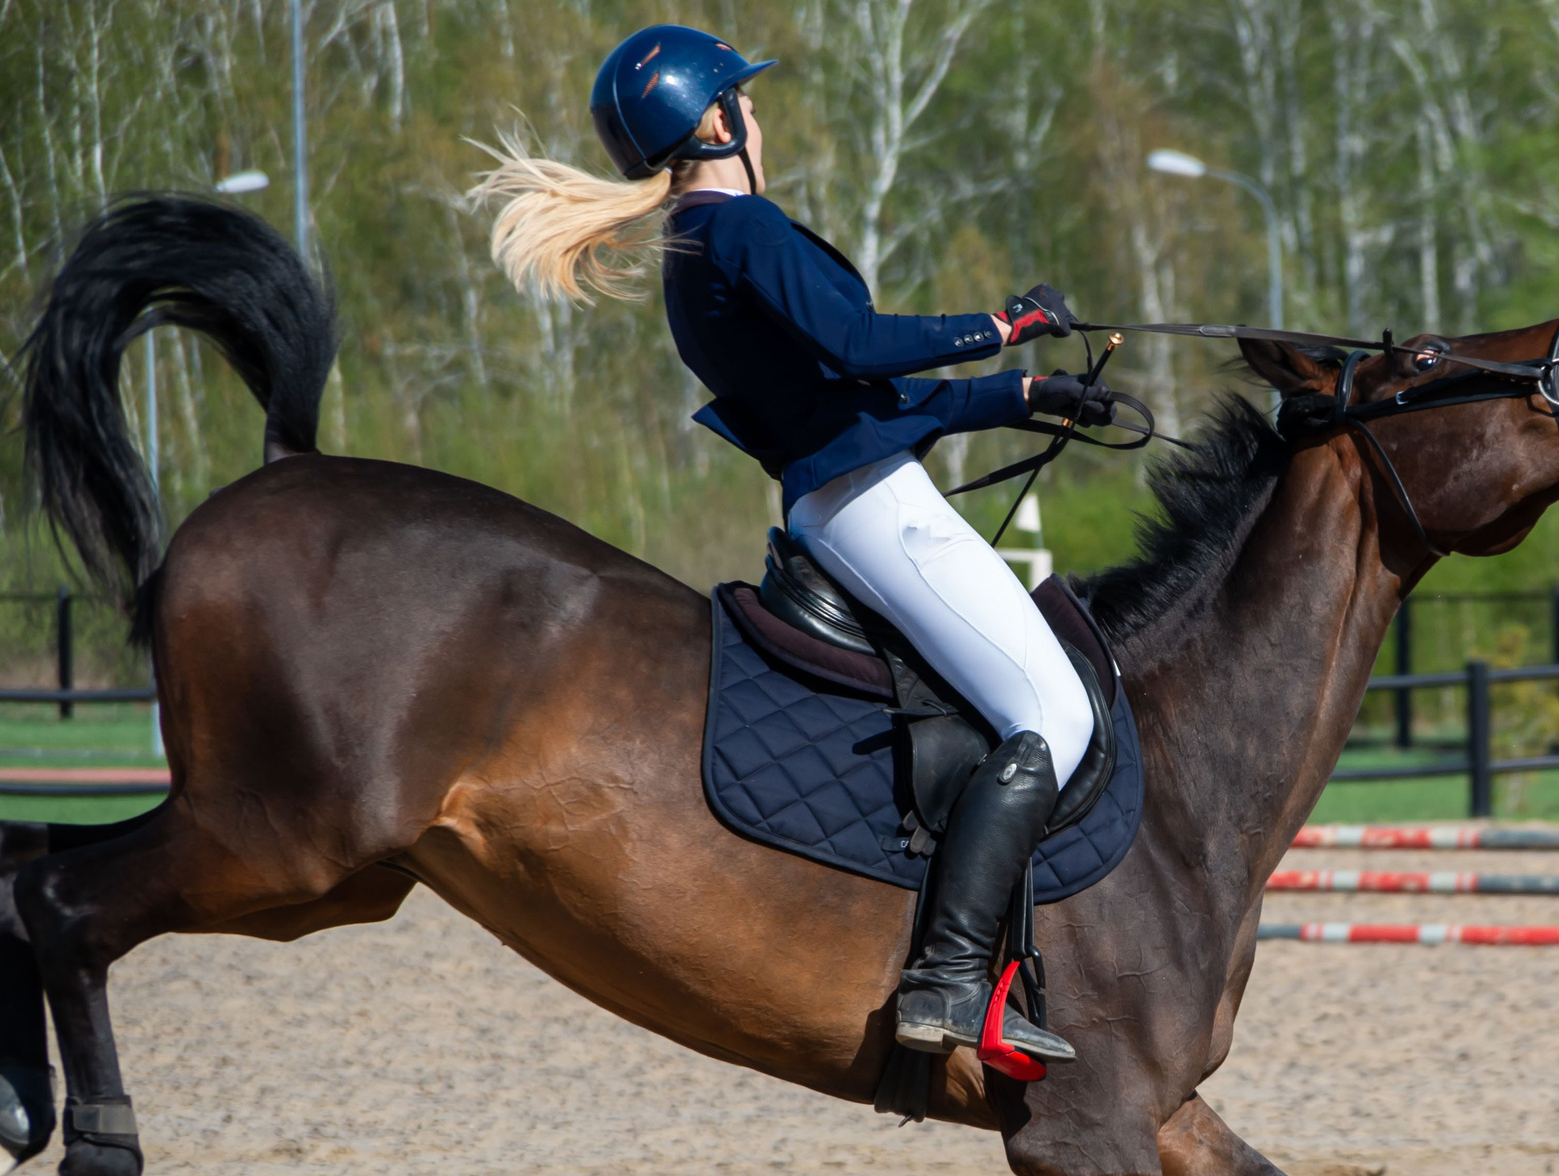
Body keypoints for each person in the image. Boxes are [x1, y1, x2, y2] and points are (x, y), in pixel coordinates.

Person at [471, 24, 1124, 1070]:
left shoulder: (698, 247)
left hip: (846, 493)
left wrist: (1024, 395)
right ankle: (953, 979)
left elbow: (852, 399)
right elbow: (863, 346)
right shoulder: (740, 229)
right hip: (874, 506)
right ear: (719, 120)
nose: (757, 120)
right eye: (747, 104)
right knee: (1054, 712)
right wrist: (1003, 323)